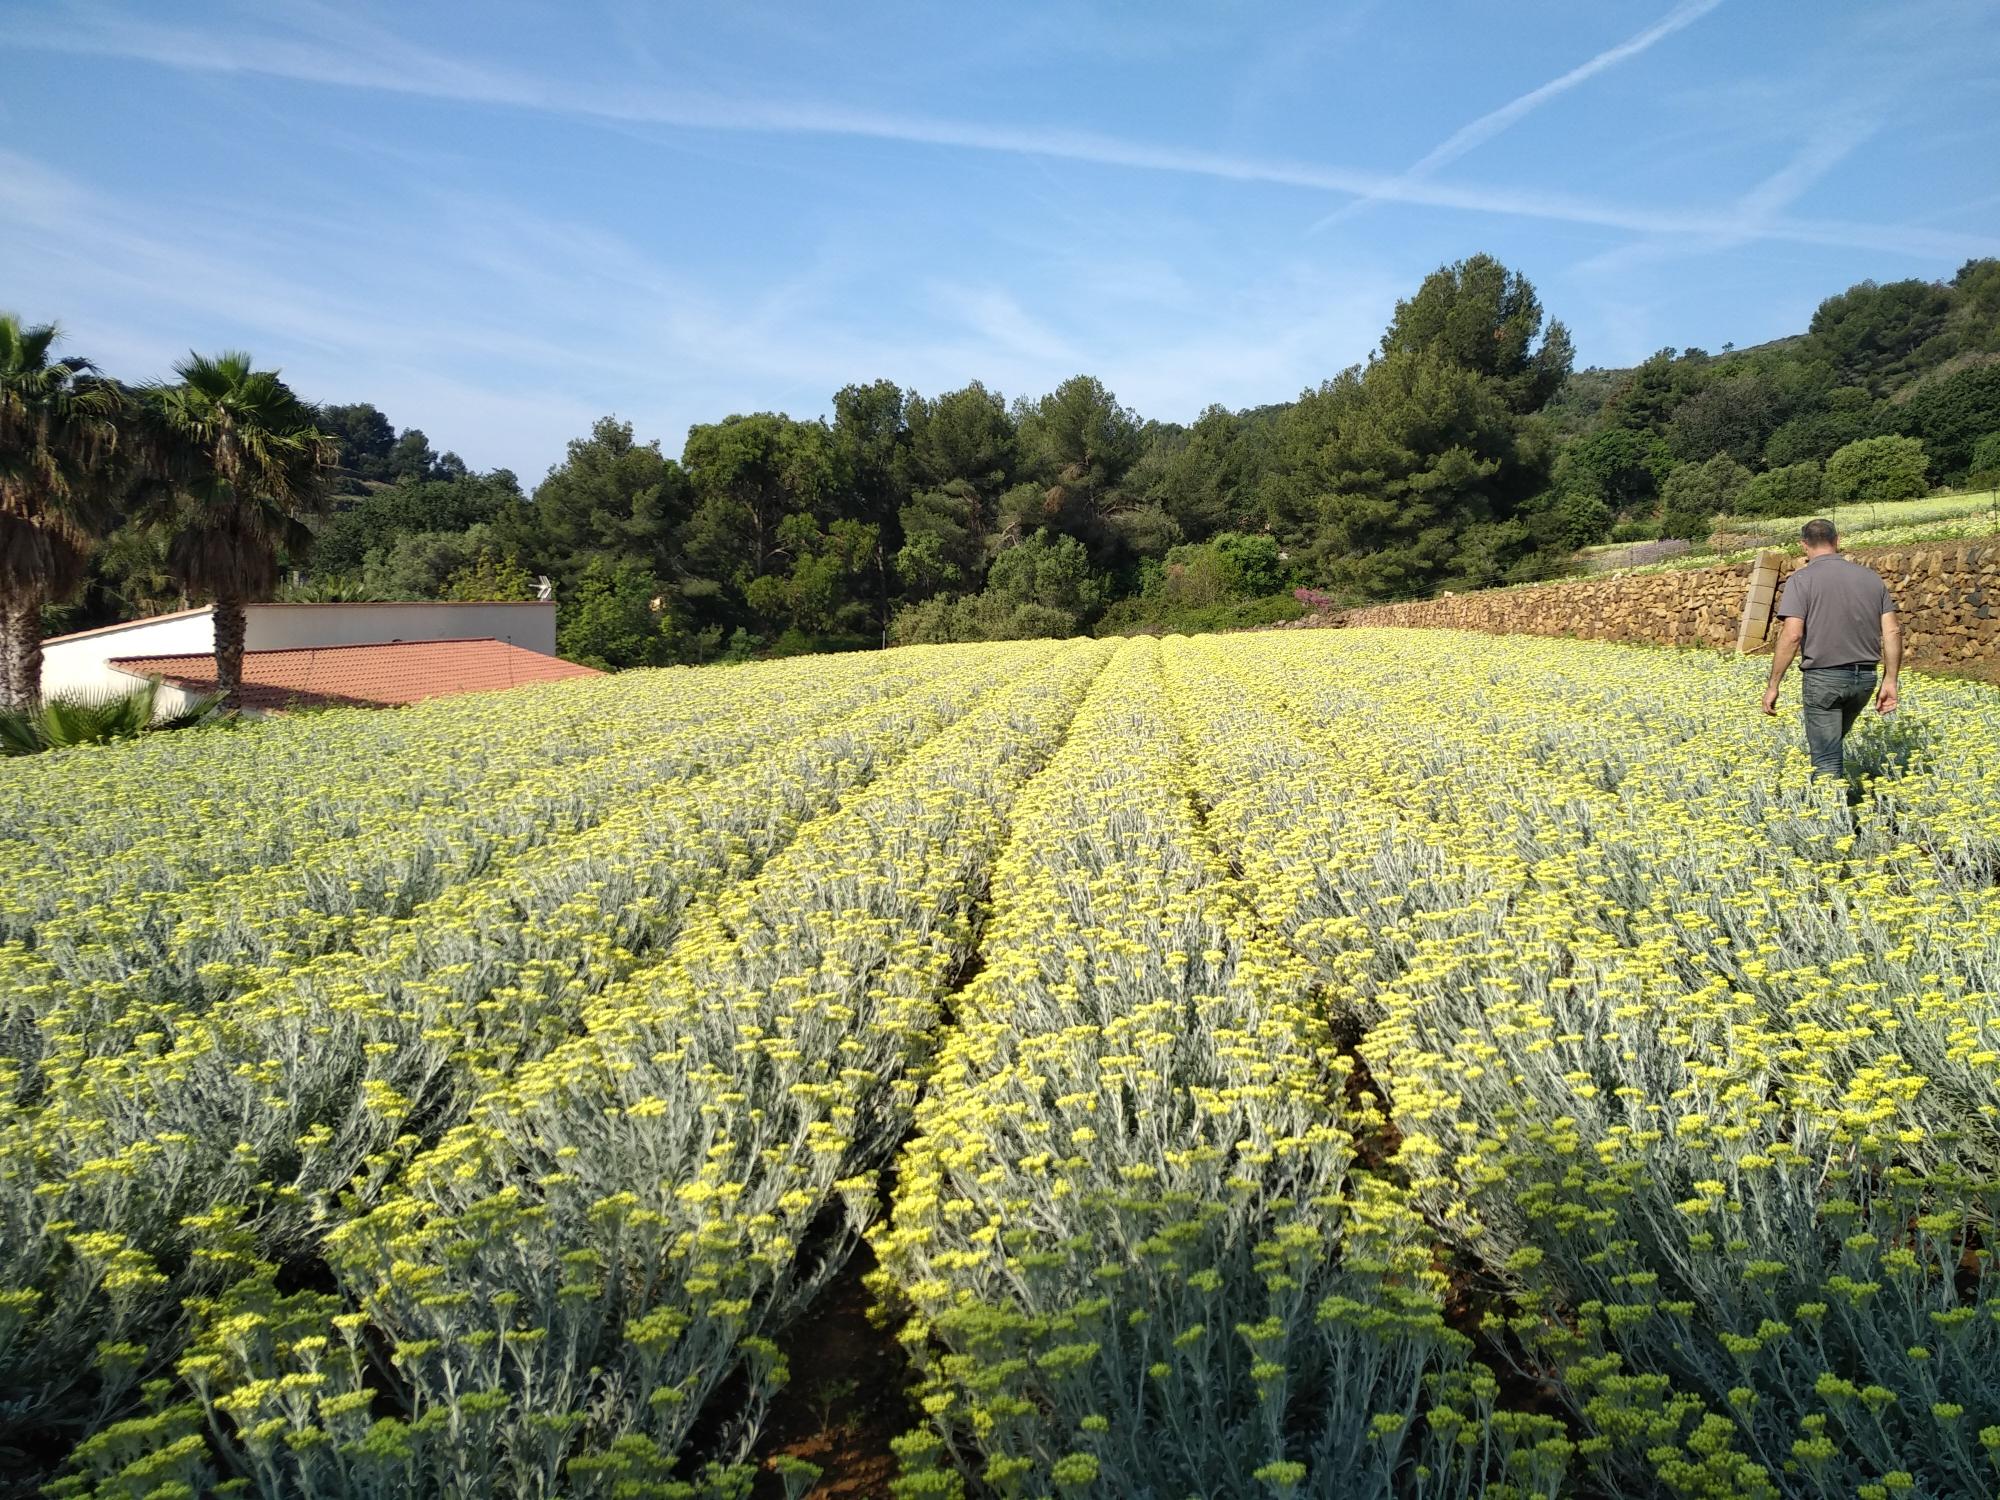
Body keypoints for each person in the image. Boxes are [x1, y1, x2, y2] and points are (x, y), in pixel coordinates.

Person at [1760, 518, 1901, 779]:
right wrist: (1890, 680)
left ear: (1803, 545)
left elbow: (1792, 635)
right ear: (1837, 540)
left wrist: (1773, 685)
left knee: (1825, 759)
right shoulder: (1871, 578)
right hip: (1865, 679)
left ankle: (1831, 815)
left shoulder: (1801, 580)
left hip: (1824, 679)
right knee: (1833, 746)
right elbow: (1892, 630)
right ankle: (1848, 799)